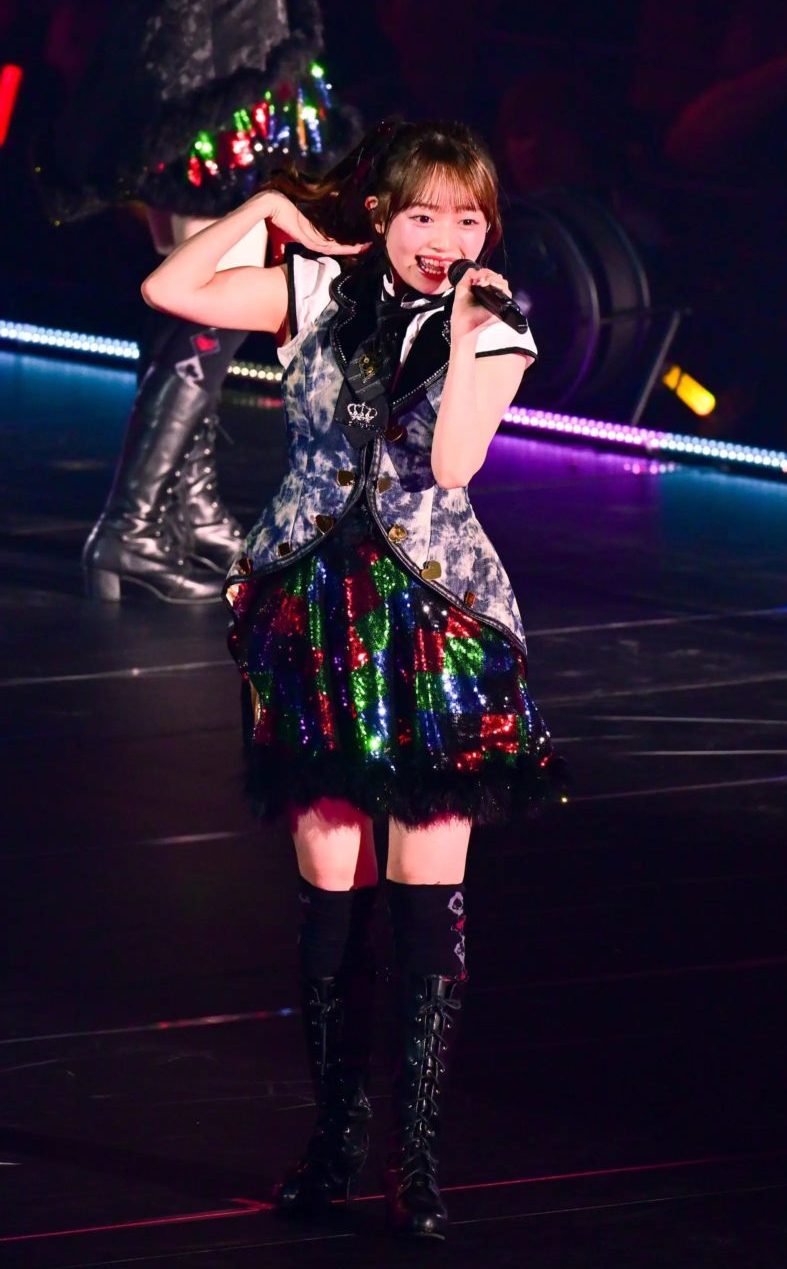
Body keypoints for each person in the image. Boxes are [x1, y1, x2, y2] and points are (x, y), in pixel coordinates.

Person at [141, 119, 566, 1240]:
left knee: (425, 893)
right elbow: (169, 286)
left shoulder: (497, 326)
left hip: (435, 627)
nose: (444, 238)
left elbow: (451, 465)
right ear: (379, 216)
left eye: (466, 218)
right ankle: (334, 1136)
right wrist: (264, 214)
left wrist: (467, 335)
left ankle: (413, 1156)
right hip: (312, 619)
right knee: (331, 889)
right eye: (422, 214)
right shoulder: (316, 294)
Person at [35, 0, 359, 602]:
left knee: (196, 309)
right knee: (213, 306)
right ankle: (130, 526)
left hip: (219, 92)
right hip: (215, 103)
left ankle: (185, 507)